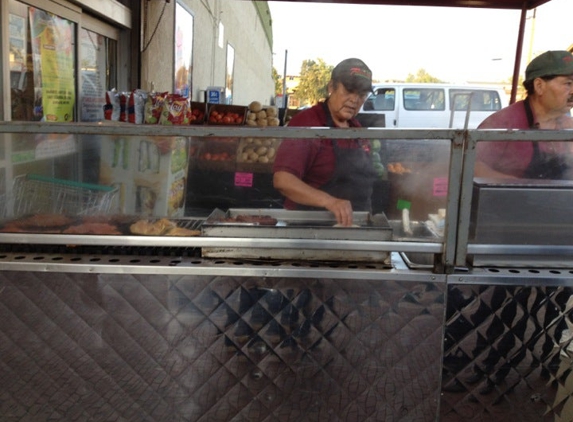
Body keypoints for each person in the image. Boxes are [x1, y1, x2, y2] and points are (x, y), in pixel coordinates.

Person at [273, 58, 377, 226]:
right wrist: (330, 202)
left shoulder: (356, 129)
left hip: (354, 227)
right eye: (349, 90)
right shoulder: (308, 124)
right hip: (311, 229)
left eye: (362, 94)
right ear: (331, 87)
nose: (355, 99)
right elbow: (283, 180)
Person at [475, 50, 573, 180]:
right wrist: (520, 187)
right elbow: (472, 167)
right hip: (512, 199)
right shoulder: (503, 124)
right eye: (568, 83)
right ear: (539, 86)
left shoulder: (569, 125)